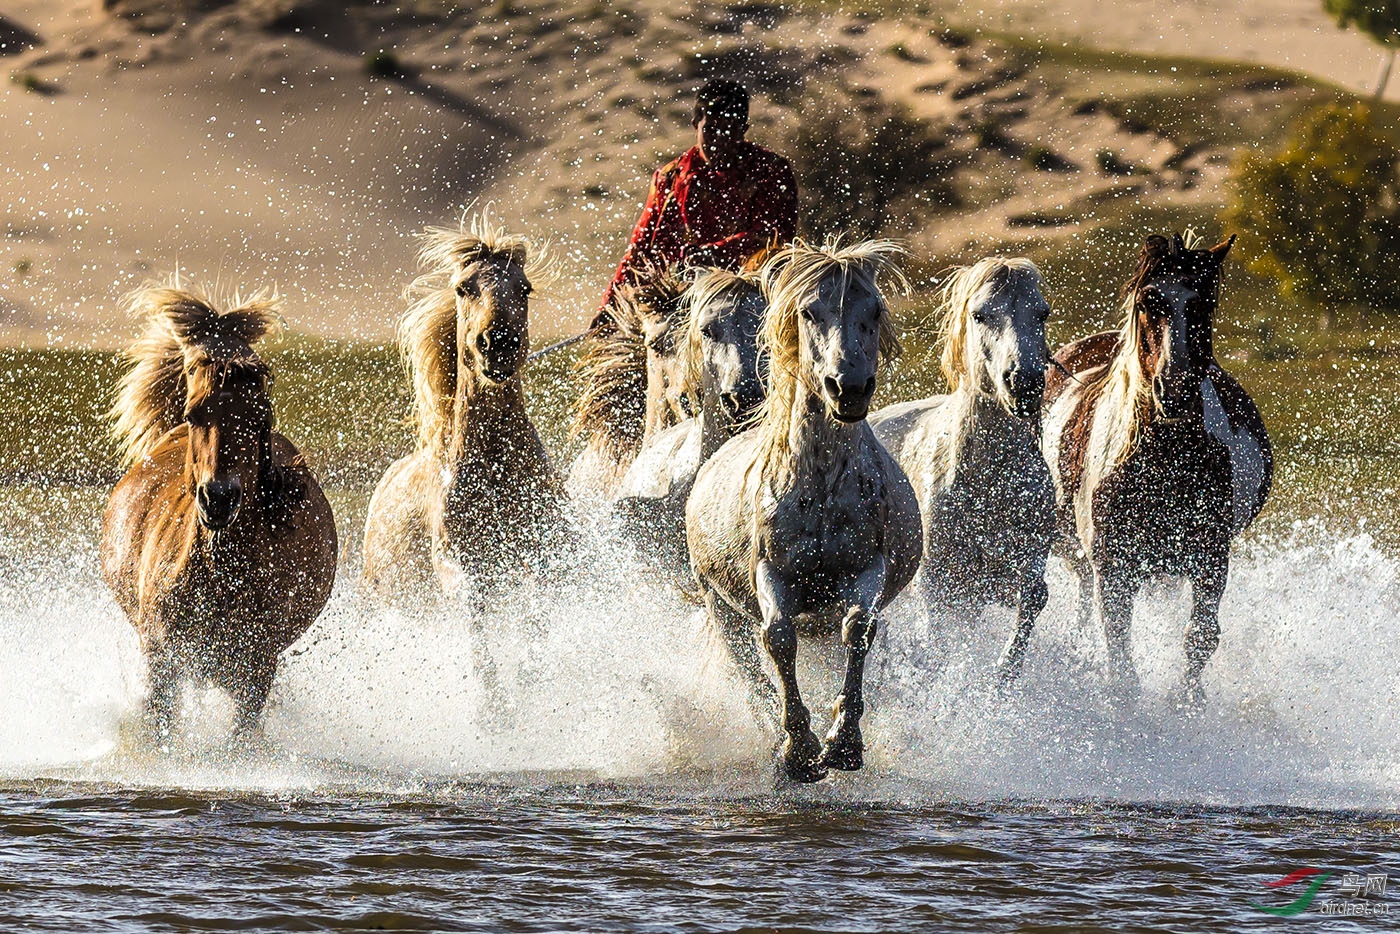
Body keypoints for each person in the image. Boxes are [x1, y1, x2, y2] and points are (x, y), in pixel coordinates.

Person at [595, 79, 798, 324]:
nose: (719, 139)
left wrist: (711, 256)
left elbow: (774, 237)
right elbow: (642, 249)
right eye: (711, 129)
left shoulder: (771, 171)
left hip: (754, 296)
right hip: (684, 298)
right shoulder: (670, 177)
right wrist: (610, 305)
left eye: (730, 129)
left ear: (744, 129)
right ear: (695, 125)